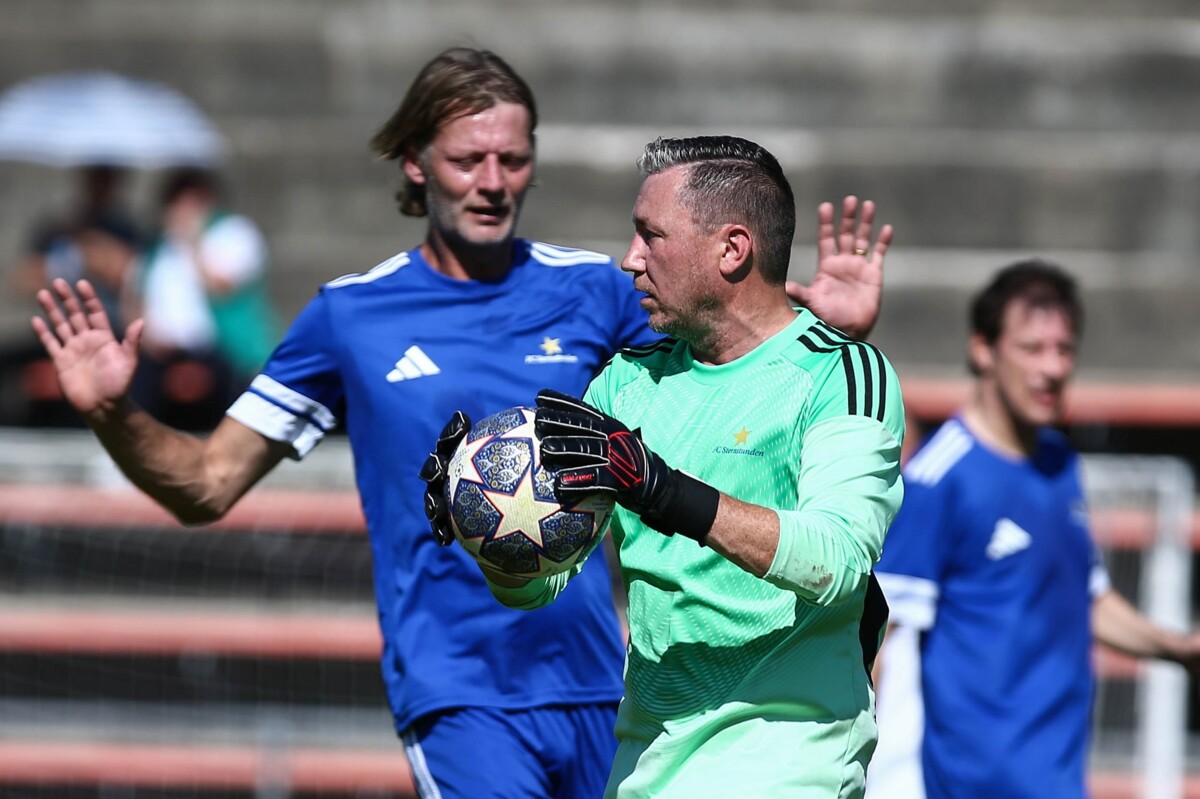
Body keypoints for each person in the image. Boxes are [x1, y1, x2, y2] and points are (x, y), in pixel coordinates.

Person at [33, 49, 889, 799]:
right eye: (468, 157)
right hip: (461, 690)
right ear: (414, 164)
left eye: (513, 158)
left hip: (610, 685)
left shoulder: (594, 292)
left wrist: (839, 327)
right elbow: (204, 482)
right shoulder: (350, 316)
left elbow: (737, 363)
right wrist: (113, 413)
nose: (493, 180)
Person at [423, 135, 906, 799]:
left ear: (731, 250)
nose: (630, 260)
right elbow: (544, 583)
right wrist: (488, 523)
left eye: (652, 236)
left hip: (789, 769)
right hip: (646, 771)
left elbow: (840, 558)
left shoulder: (843, 373)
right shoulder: (624, 385)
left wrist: (666, 491)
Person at [868, 260, 1200, 799]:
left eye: (1064, 350)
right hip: (966, 786)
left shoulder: (1057, 462)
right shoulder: (938, 478)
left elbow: (1086, 598)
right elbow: (882, 636)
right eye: (1032, 348)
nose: (1051, 368)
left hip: (1058, 780)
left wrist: (1179, 649)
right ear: (984, 349)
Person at [131, 167, 279, 430]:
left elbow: (222, 288)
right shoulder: (157, 246)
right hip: (161, 355)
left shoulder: (234, 233)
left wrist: (193, 242)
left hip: (220, 353)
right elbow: (137, 295)